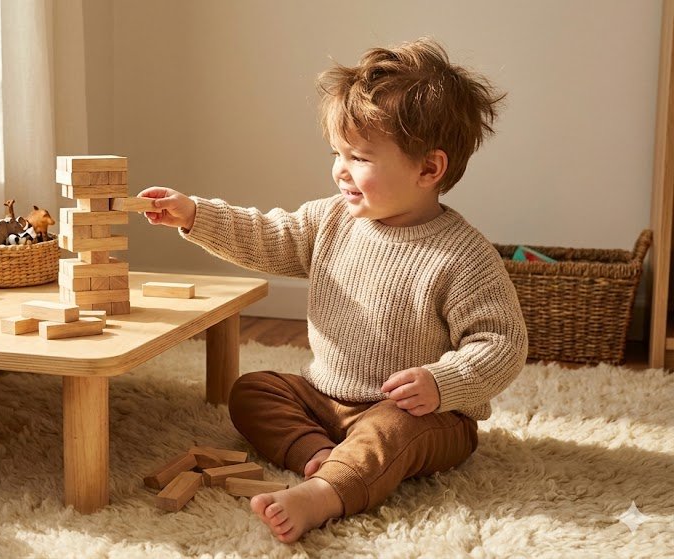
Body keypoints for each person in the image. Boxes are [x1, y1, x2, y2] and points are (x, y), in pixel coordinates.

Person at [137, 37, 528, 543]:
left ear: (429, 169)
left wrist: (442, 381)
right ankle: (319, 454)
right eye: (336, 153)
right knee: (253, 391)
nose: (340, 169)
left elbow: (502, 344)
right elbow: (266, 234)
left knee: (392, 432)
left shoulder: (463, 256)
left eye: (359, 157)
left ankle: (323, 494)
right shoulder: (331, 220)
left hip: (422, 414)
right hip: (327, 395)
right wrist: (195, 215)